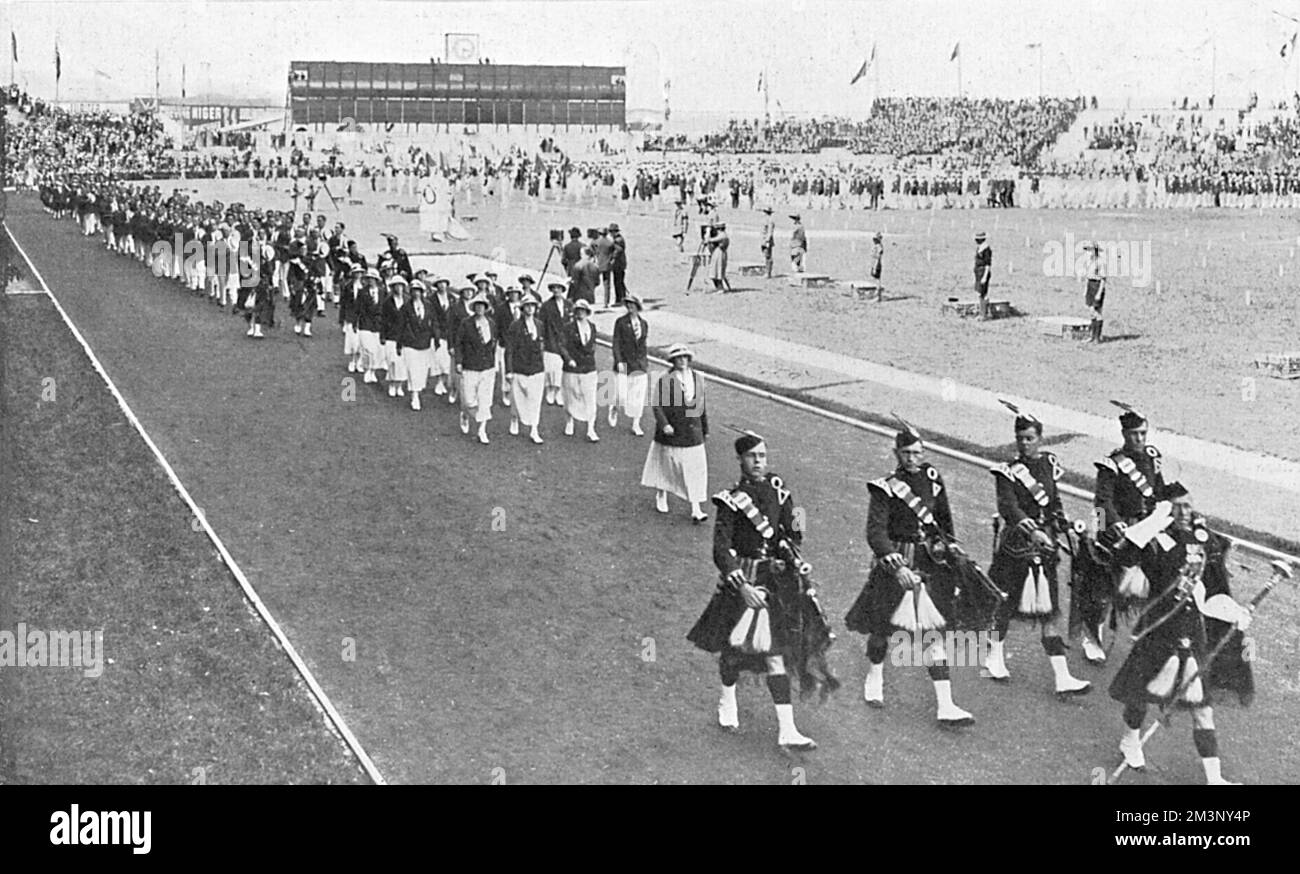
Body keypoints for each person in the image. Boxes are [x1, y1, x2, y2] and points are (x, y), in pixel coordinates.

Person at [1108, 483, 1255, 784]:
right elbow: (1122, 558)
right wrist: (1154, 521)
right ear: (1165, 509)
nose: (1186, 512)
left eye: (1189, 505)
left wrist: (1235, 613)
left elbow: (1212, 592)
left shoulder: (1203, 540)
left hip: (1192, 634)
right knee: (1139, 697)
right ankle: (1130, 739)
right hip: (1158, 632)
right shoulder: (1151, 540)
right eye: (1177, 506)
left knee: (1203, 709)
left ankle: (1214, 779)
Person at [685, 433, 820, 751]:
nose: (759, 461)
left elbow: (792, 526)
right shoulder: (731, 500)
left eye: (762, 455)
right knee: (734, 652)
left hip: (772, 584)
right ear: (740, 461)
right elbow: (721, 549)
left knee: (775, 656)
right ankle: (727, 699)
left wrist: (792, 543)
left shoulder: (778, 488)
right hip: (742, 585)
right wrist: (741, 585)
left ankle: (787, 729)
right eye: (752, 456)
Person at [843, 421, 976, 726]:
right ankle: (874, 676)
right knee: (881, 628)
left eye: (917, 452)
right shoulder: (885, 487)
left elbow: (944, 522)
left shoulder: (932, 478)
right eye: (906, 453)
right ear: (896, 453)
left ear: (924, 452)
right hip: (895, 566)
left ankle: (946, 704)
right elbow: (875, 533)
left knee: (934, 634)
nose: (912, 459)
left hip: (928, 565)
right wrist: (896, 565)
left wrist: (951, 552)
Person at [984, 404, 1092, 696]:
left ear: (1040, 439)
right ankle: (994, 656)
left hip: (1045, 550)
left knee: (1048, 613)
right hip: (1016, 548)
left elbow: (1054, 502)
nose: (1024, 443)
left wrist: (1063, 525)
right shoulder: (1006, 472)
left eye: (1030, 438)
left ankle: (1062, 676)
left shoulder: (1049, 465)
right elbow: (1008, 507)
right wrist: (1032, 530)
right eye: (1020, 437)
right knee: (1004, 607)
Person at [642, 344, 709, 522]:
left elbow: (701, 406)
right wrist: (664, 424)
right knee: (667, 466)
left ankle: (696, 507)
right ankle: (661, 494)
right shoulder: (666, 380)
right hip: (672, 431)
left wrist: (705, 429)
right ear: (673, 361)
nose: (682, 361)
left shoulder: (697, 378)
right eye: (679, 358)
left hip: (693, 432)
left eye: (685, 357)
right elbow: (657, 405)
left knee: (695, 470)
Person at [455, 290, 498, 444]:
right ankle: (465, 414)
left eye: (483, 306)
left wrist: (494, 363)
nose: (480, 308)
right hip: (470, 366)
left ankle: (482, 430)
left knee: (485, 400)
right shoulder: (466, 323)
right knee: (469, 400)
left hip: (487, 367)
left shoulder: (491, 324)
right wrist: (459, 362)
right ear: (473, 307)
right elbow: (459, 343)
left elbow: (494, 344)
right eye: (477, 305)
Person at [505, 291, 547, 444]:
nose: (530, 309)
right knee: (517, 398)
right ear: (522, 308)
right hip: (519, 367)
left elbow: (542, 345)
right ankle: (514, 418)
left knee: (535, 400)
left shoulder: (540, 325)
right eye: (527, 306)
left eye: (532, 306)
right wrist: (509, 371)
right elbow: (509, 349)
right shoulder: (515, 326)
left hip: (536, 368)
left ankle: (534, 429)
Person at [609, 293, 648, 436]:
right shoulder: (620, 322)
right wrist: (618, 361)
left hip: (639, 365)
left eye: (633, 304)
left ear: (638, 306)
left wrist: (644, 362)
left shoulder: (643, 324)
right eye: (628, 304)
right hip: (624, 363)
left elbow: (643, 345)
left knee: (638, 396)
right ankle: (614, 408)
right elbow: (616, 343)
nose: (630, 306)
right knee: (621, 395)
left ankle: (636, 424)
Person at [562, 298, 600, 442]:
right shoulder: (568, 327)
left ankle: (591, 428)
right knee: (570, 395)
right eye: (578, 311)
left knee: (590, 397)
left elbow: (593, 344)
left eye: (583, 311)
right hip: (572, 368)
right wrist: (568, 359)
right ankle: (569, 421)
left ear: (587, 312)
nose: (581, 313)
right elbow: (562, 346)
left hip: (589, 367)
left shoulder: (592, 327)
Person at [398, 278, 439, 411]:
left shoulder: (428, 306)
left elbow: (433, 322)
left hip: (425, 342)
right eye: (413, 291)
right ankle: (414, 396)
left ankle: (418, 391)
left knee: (422, 370)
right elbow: (401, 325)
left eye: (418, 291)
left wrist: (436, 338)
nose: (416, 293)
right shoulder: (406, 307)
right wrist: (399, 344)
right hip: (410, 343)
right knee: (412, 369)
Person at [539, 280, 571, 406]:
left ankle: (559, 392)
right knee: (551, 367)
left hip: (565, 341)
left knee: (562, 368)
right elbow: (541, 324)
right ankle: (550, 390)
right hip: (551, 340)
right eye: (554, 288)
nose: (556, 290)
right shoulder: (546, 306)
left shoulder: (568, 305)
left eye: (559, 288)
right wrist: (542, 340)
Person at [380, 275, 409, 399]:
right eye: (396, 286)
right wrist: (383, 335)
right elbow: (383, 319)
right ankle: (392, 384)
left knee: (403, 362)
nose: (399, 288)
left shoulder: (407, 301)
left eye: (401, 285)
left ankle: (400, 385)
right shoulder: (388, 301)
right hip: (391, 334)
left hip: (404, 336)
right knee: (392, 361)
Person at [494, 285, 523, 408]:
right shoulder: (501, 309)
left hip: (521, 345)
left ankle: (516, 393)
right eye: (511, 293)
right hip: (505, 343)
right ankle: (505, 392)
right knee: (506, 368)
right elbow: (497, 326)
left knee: (519, 368)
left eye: (516, 293)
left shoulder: (524, 307)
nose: (513, 295)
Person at [1084, 241, 1107, 343]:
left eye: (1091, 250)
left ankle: (1097, 337)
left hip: (1097, 286)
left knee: (1097, 311)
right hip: (1090, 285)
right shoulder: (1089, 261)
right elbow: (1087, 277)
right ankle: (1092, 336)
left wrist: (1099, 293)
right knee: (1091, 312)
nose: (1089, 252)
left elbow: (1103, 279)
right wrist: (1086, 289)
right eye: (1088, 250)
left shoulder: (1100, 262)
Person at [706, 221, 730, 292]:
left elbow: (708, 240)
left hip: (719, 254)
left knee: (717, 271)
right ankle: (718, 287)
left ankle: (720, 288)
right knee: (715, 271)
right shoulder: (723, 235)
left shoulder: (722, 235)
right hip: (718, 253)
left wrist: (708, 232)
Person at [974, 231, 993, 320]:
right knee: (979, 293)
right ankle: (983, 312)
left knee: (983, 293)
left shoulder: (986, 249)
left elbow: (988, 264)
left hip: (983, 272)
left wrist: (985, 276)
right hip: (978, 272)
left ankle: (984, 314)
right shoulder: (979, 248)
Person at [609, 222, 628, 306]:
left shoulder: (618, 240)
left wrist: (612, 257)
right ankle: (621, 297)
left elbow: (618, 251)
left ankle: (620, 299)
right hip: (620, 264)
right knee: (619, 281)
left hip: (619, 264)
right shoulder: (618, 239)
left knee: (618, 282)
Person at [759, 206, 776, 278]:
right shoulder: (766, 220)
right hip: (763, 240)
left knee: (768, 256)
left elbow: (770, 232)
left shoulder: (770, 221)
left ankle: (768, 273)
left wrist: (767, 241)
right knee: (765, 256)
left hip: (767, 241)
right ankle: (767, 272)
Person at [869, 231, 884, 303]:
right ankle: (877, 295)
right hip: (875, 264)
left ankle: (878, 296)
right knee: (875, 279)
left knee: (877, 280)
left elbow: (878, 255)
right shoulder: (877, 246)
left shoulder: (878, 246)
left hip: (877, 264)